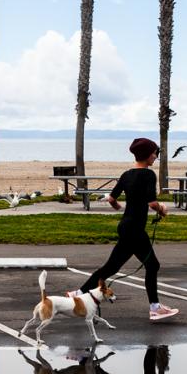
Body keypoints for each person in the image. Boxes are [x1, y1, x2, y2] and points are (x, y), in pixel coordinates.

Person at [77, 137, 178, 321]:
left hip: (126, 226)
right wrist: (162, 209)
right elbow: (152, 203)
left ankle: (78, 293)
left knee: (112, 267)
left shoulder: (126, 175)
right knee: (152, 265)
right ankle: (155, 308)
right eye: (155, 153)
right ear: (147, 155)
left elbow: (111, 199)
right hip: (135, 230)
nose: (156, 156)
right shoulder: (148, 175)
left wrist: (119, 208)